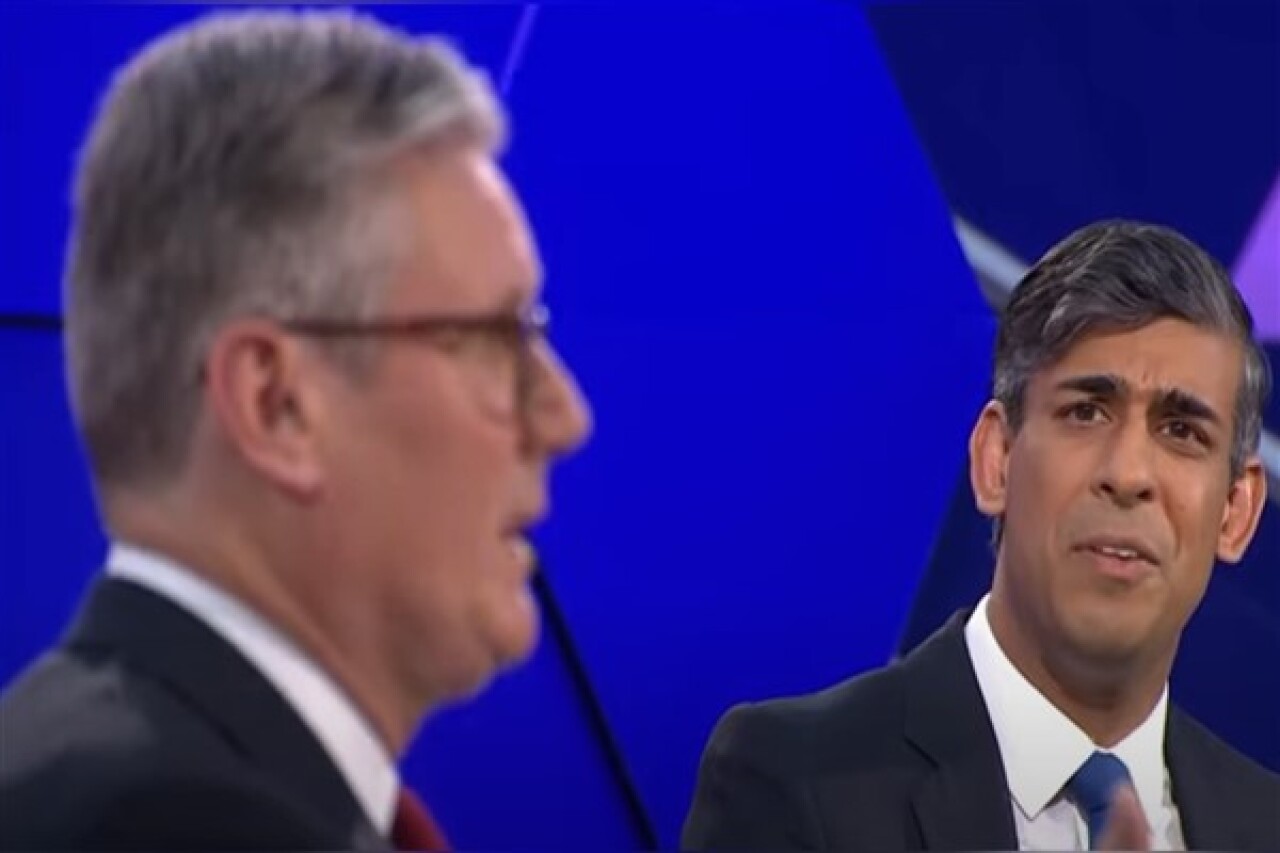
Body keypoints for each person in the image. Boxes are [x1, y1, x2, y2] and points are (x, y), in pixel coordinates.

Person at [0, 8, 591, 850]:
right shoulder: (172, 826)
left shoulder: (116, 767)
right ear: (276, 404)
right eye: (493, 339)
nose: (565, 415)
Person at [683, 220, 1279, 851]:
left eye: (1182, 431)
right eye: (1085, 412)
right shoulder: (795, 778)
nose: (1128, 474)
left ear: (1235, 511)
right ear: (997, 460)